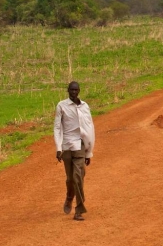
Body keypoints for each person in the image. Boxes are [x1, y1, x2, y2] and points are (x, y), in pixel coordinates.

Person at [54, 81, 95, 221]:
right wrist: (58, 148)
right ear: (68, 90)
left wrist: (89, 151)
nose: (74, 92)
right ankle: (69, 196)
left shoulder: (84, 106)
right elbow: (57, 128)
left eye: (76, 90)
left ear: (79, 91)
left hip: (80, 145)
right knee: (70, 179)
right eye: (72, 90)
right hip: (66, 147)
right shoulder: (61, 106)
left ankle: (79, 210)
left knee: (78, 178)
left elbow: (89, 128)